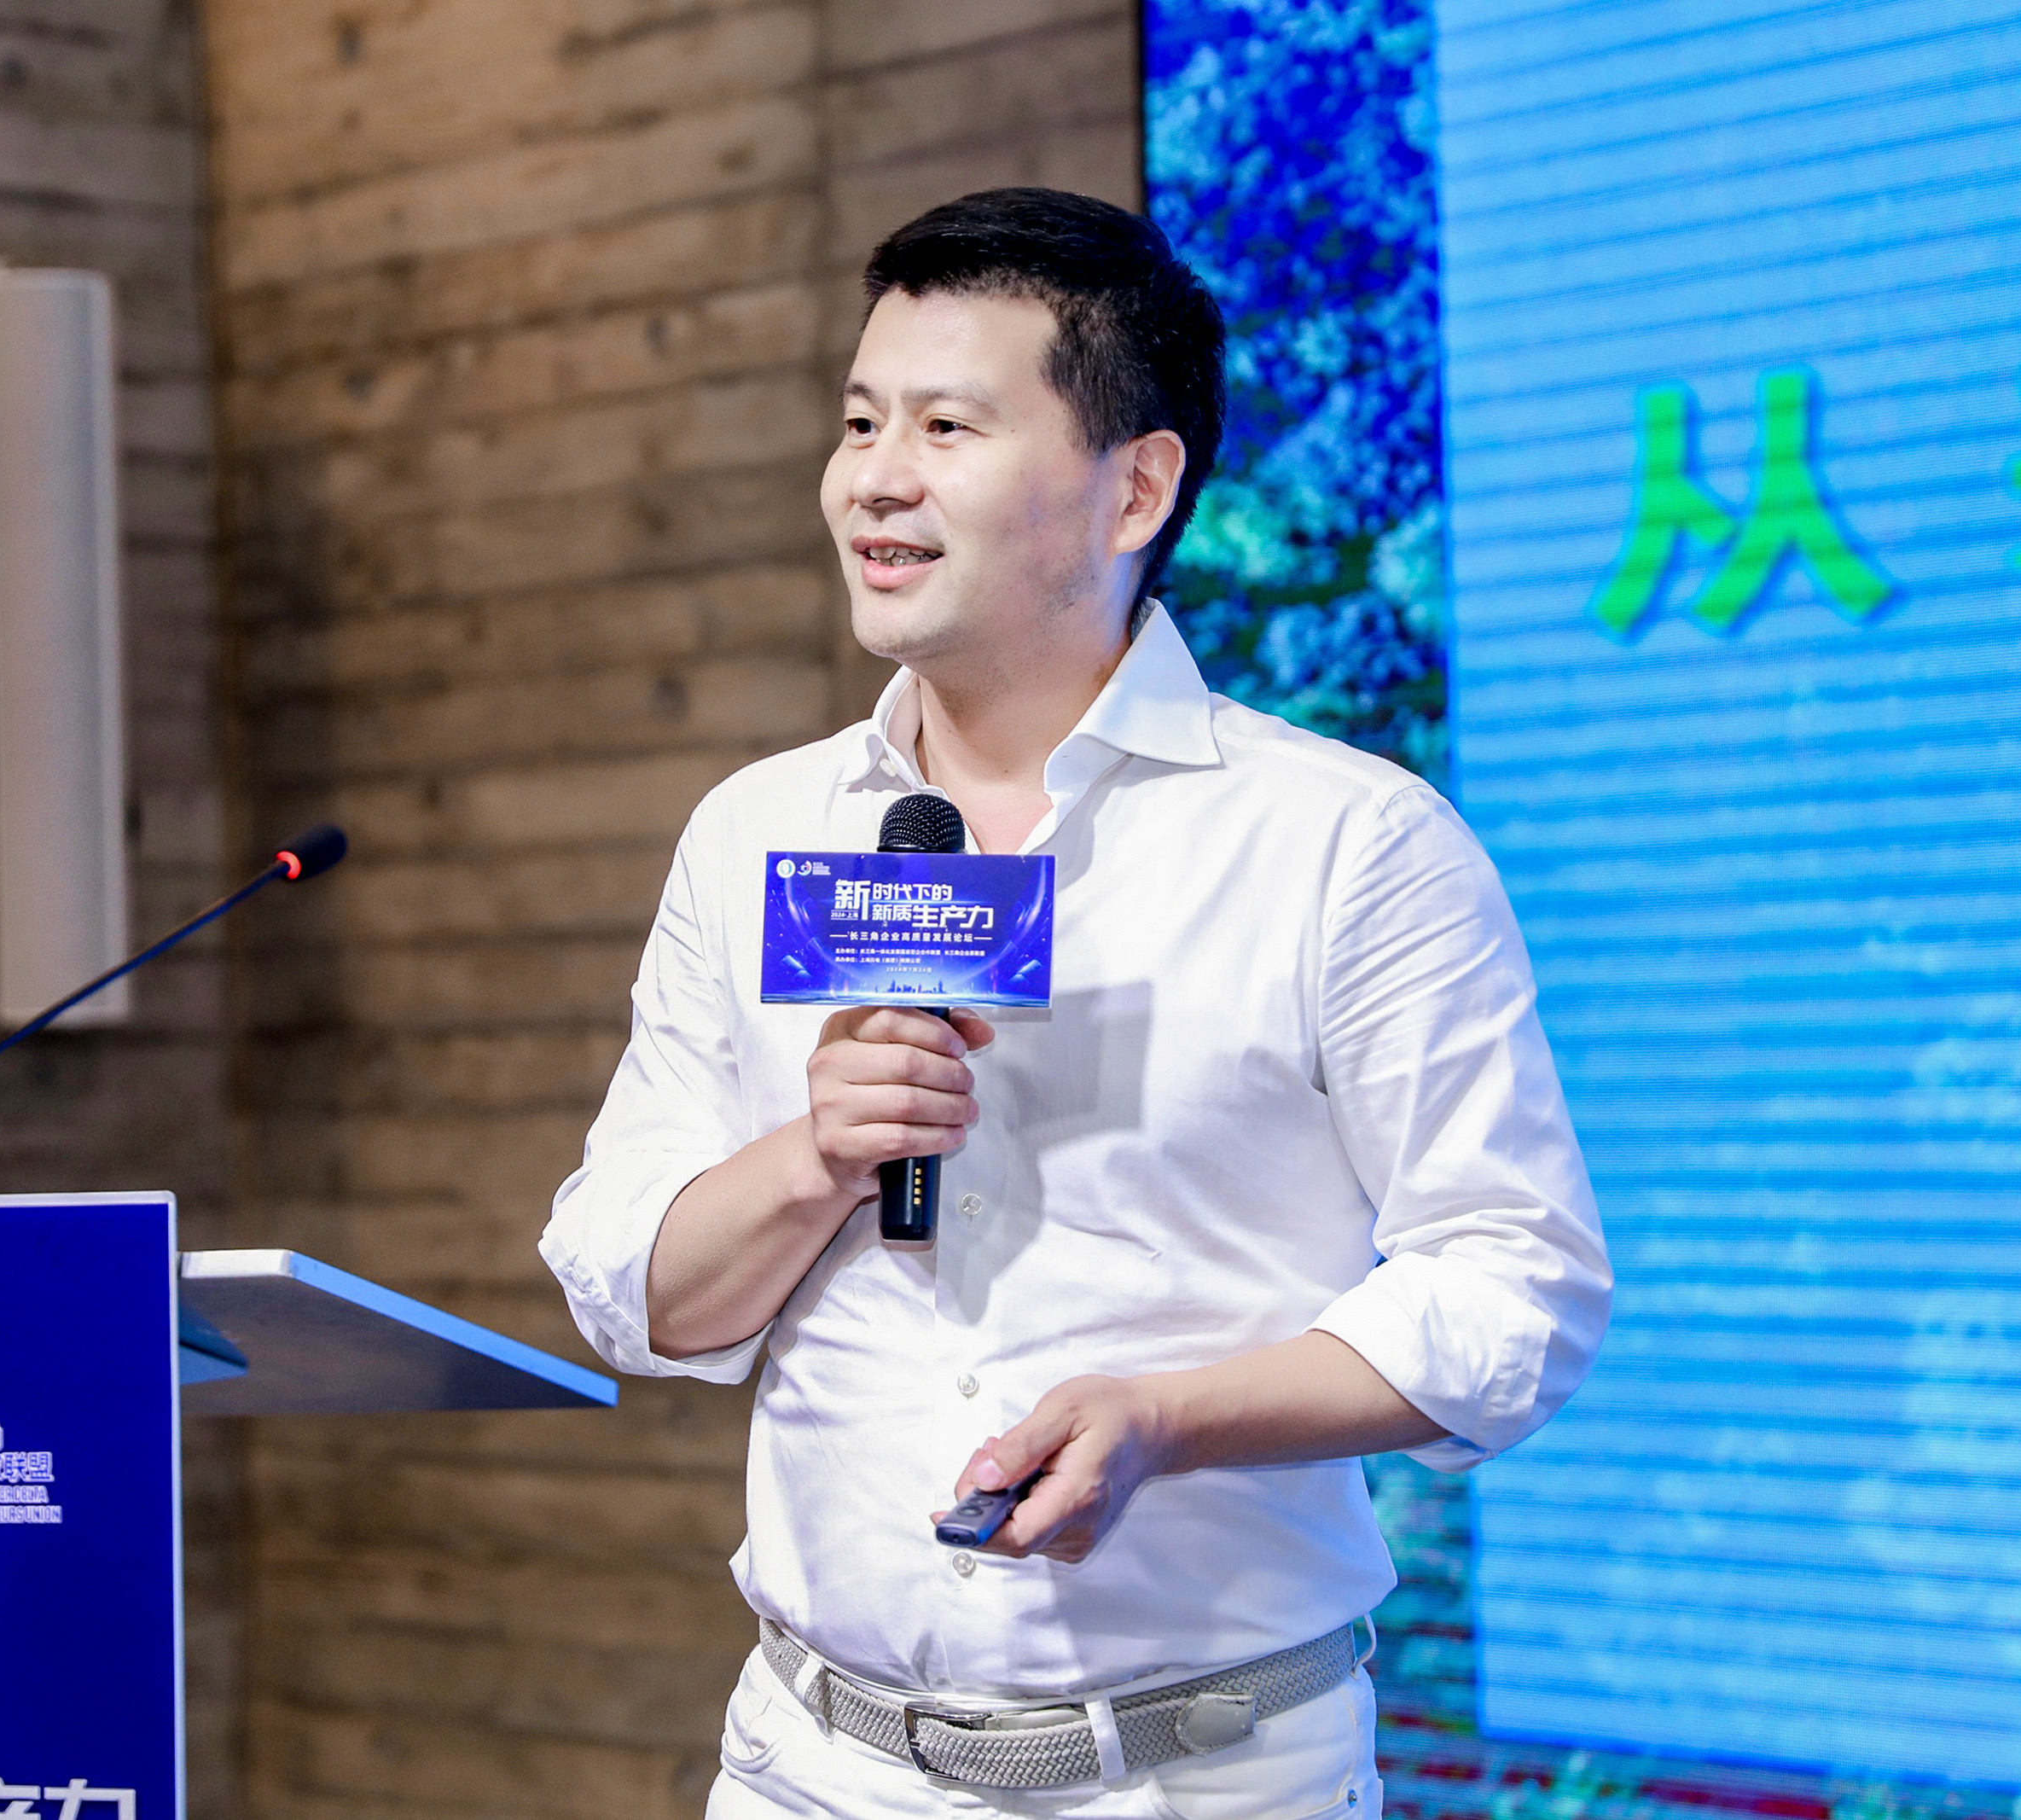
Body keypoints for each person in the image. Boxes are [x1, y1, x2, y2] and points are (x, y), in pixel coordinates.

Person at [542, 186, 1609, 1818]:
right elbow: (636, 1294)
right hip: (809, 1765)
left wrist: (1170, 1418)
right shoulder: (757, 830)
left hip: (1198, 1775)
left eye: (947, 426)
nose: (873, 477)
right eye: (859, 422)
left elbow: (1518, 1289)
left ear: (1138, 488)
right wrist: (815, 1156)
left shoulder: (1345, 841)